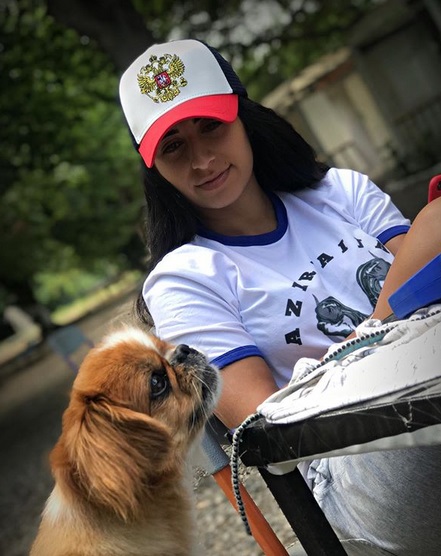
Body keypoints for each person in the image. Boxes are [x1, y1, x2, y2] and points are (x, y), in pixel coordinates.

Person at [119, 38, 441, 555]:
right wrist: (384, 334)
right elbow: (271, 426)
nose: (201, 159)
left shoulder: (341, 193)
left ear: (244, 116)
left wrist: (383, 320)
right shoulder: (184, 280)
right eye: (174, 146)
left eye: (211, 126)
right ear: (154, 169)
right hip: (357, 465)